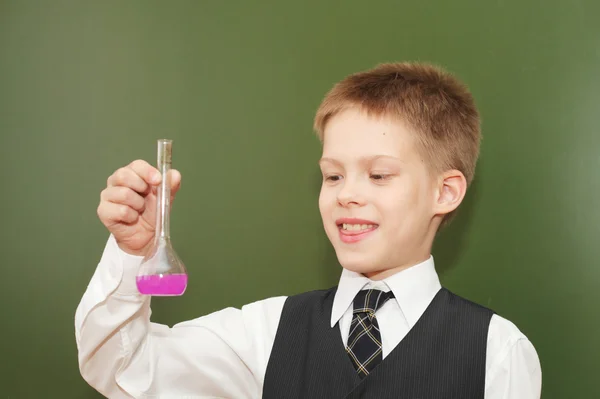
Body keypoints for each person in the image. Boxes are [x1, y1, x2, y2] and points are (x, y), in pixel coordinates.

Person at [75, 62, 541, 398]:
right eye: (333, 175)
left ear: (445, 192)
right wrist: (133, 251)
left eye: (379, 175)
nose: (346, 194)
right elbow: (124, 368)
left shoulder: (497, 352)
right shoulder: (264, 332)